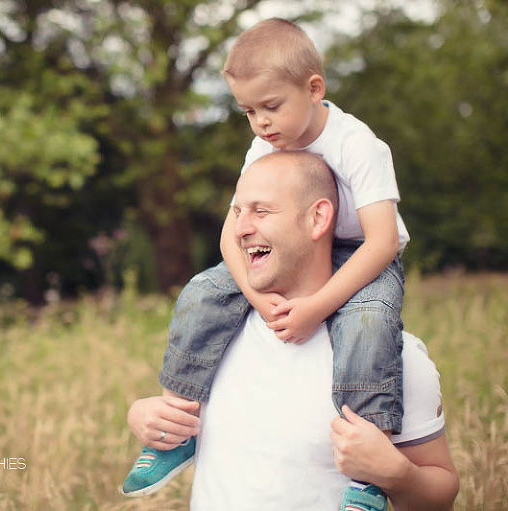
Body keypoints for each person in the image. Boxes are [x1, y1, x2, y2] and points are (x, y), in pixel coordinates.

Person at [121, 18, 410, 510]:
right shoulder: (264, 147)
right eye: (248, 111)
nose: (261, 123)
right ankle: (180, 423)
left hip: (362, 258)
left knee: (368, 323)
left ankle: (368, 474)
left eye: (271, 106)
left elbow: (382, 242)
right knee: (201, 292)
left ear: (314, 88)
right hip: (282, 253)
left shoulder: (358, 144)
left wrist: (318, 306)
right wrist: (255, 295)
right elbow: (230, 231)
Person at [126, 151, 459, 510]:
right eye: (238, 211)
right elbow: (177, 418)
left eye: (262, 210)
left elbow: (440, 494)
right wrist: (144, 417)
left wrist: (397, 475)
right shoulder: (213, 336)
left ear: (318, 219)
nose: (240, 229)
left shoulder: (390, 355)